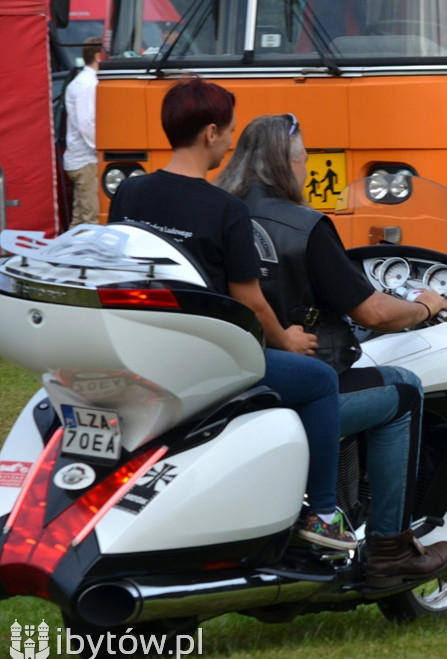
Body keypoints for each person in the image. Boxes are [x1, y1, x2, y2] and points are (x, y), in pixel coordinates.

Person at [107, 78, 356, 552]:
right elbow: (250, 301)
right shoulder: (224, 208)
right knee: (319, 381)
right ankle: (323, 513)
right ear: (211, 133)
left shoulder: (131, 193)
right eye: (229, 131)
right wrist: (287, 340)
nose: (229, 141)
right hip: (203, 361)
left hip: (138, 349)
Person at [214, 113, 447, 588]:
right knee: (402, 391)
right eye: (304, 160)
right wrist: (424, 307)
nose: (306, 169)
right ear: (286, 164)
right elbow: (372, 314)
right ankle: (390, 549)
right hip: (294, 387)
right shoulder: (306, 226)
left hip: (231, 376)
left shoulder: (221, 212)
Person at [63, 37, 104, 227]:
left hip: (80, 158)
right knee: (90, 218)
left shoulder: (83, 82)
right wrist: (100, 148)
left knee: (80, 218)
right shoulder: (87, 84)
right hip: (85, 158)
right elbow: (86, 121)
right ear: (98, 56)